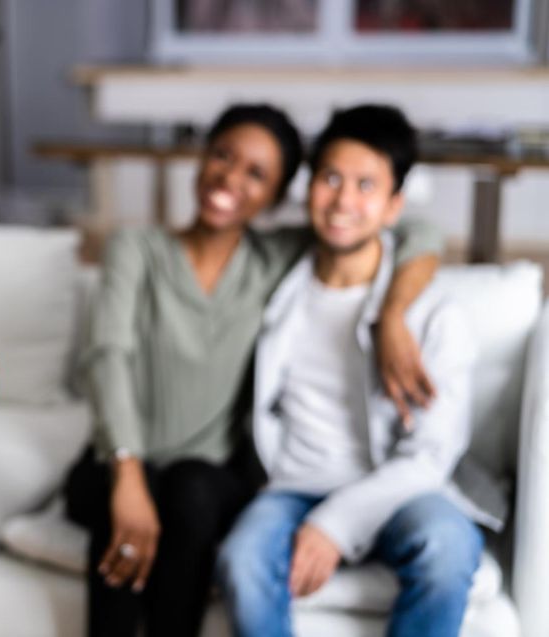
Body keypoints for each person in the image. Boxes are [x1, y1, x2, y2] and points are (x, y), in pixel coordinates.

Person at [64, 103, 444, 637]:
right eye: (222, 156)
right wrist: (125, 473)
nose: (230, 178)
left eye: (256, 174)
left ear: (277, 195)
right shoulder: (137, 249)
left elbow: (420, 233)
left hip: (207, 476)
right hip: (118, 462)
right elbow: (107, 356)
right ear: (202, 158)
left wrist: (393, 316)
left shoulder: (275, 259)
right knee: (131, 494)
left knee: (191, 488)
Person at [215, 105, 507, 637]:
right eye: (330, 179)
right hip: (291, 484)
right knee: (242, 560)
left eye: (365, 186)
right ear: (307, 189)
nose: (343, 201)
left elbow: (432, 455)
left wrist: (333, 525)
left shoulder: (431, 313)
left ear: (394, 206)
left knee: (447, 548)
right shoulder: (279, 283)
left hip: (400, 488)